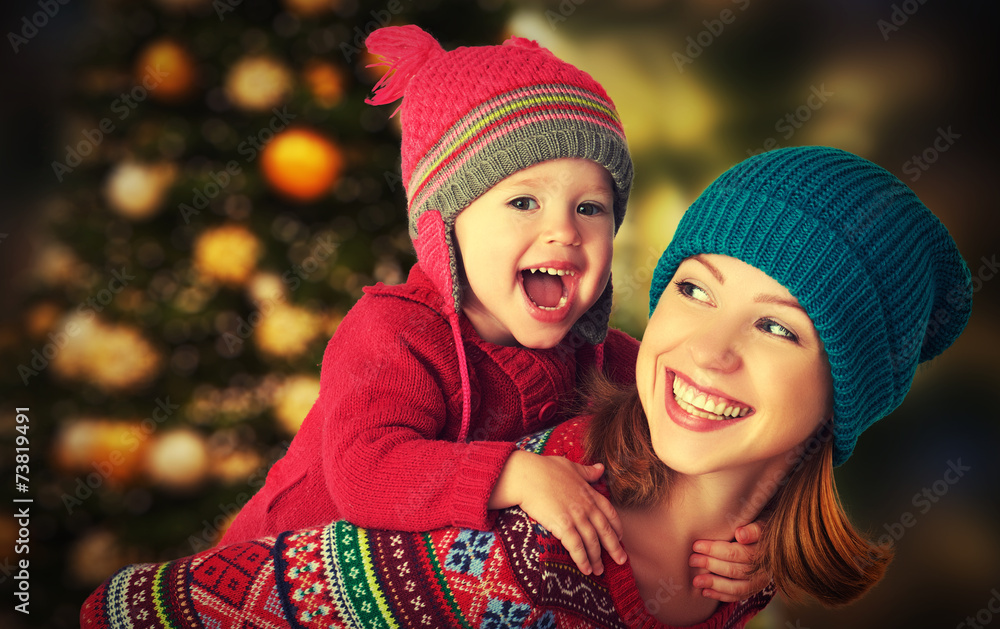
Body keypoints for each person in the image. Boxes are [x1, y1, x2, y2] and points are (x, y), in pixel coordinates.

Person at [80, 145, 973, 628]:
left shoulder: (744, 569)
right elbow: (141, 610)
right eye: (693, 289)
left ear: (845, 393)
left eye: (777, 325)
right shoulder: (517, 551)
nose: (707, 349)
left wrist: (769, 547)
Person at [219, 24, 757, 587]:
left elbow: (691, 424)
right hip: (278, 580)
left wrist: (747, 539)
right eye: (524, 201)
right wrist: (516, 475)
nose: (564, 231)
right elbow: (365, 470)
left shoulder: (609, 361)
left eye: (592, 208)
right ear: (444, 229)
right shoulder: (394, 331)